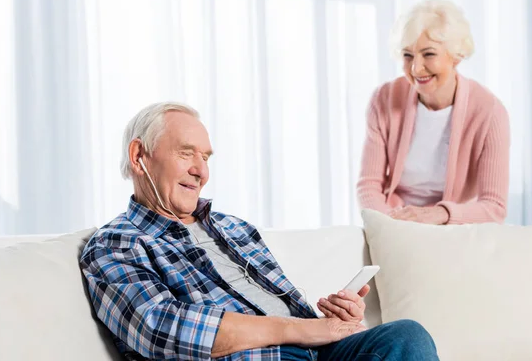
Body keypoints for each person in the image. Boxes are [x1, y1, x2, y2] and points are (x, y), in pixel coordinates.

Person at [80, 102, 439, 360]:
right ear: (139, 155)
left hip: (314, 351)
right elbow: (160, 328)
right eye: (186, 153)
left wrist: (332, 323)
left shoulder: (235, 229)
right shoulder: (116, 244)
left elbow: (295, 316)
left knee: (406, 337)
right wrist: (300, 330)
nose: (201, 172)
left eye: (206, 158)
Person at [357, 0, 510, 225]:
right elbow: (368, 186)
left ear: (456, 55)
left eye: (428, 54)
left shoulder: (490, 112)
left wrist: (439, 215)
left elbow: (494, 207)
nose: (416, 68)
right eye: (407, 55)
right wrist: (393, 225)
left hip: (454, 229)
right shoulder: (384, 99)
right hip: (394, 223)